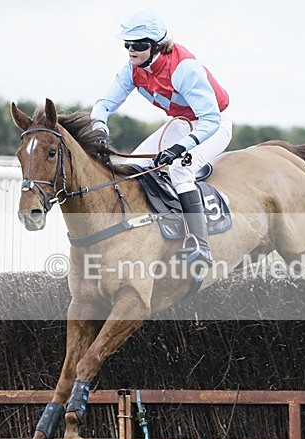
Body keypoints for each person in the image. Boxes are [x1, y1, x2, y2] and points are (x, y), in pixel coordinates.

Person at [90, 9, 232, 266]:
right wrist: (99, 128)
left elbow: (210, 119)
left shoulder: (184, 68)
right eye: (127, 44)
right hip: (182, 122)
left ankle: (201, 247)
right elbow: (103, 104)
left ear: (156, 46)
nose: (131, 50)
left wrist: (182, 147)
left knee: (179, 170)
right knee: (133, 165)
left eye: (139, 45)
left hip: (214, 124)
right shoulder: (132, 70)